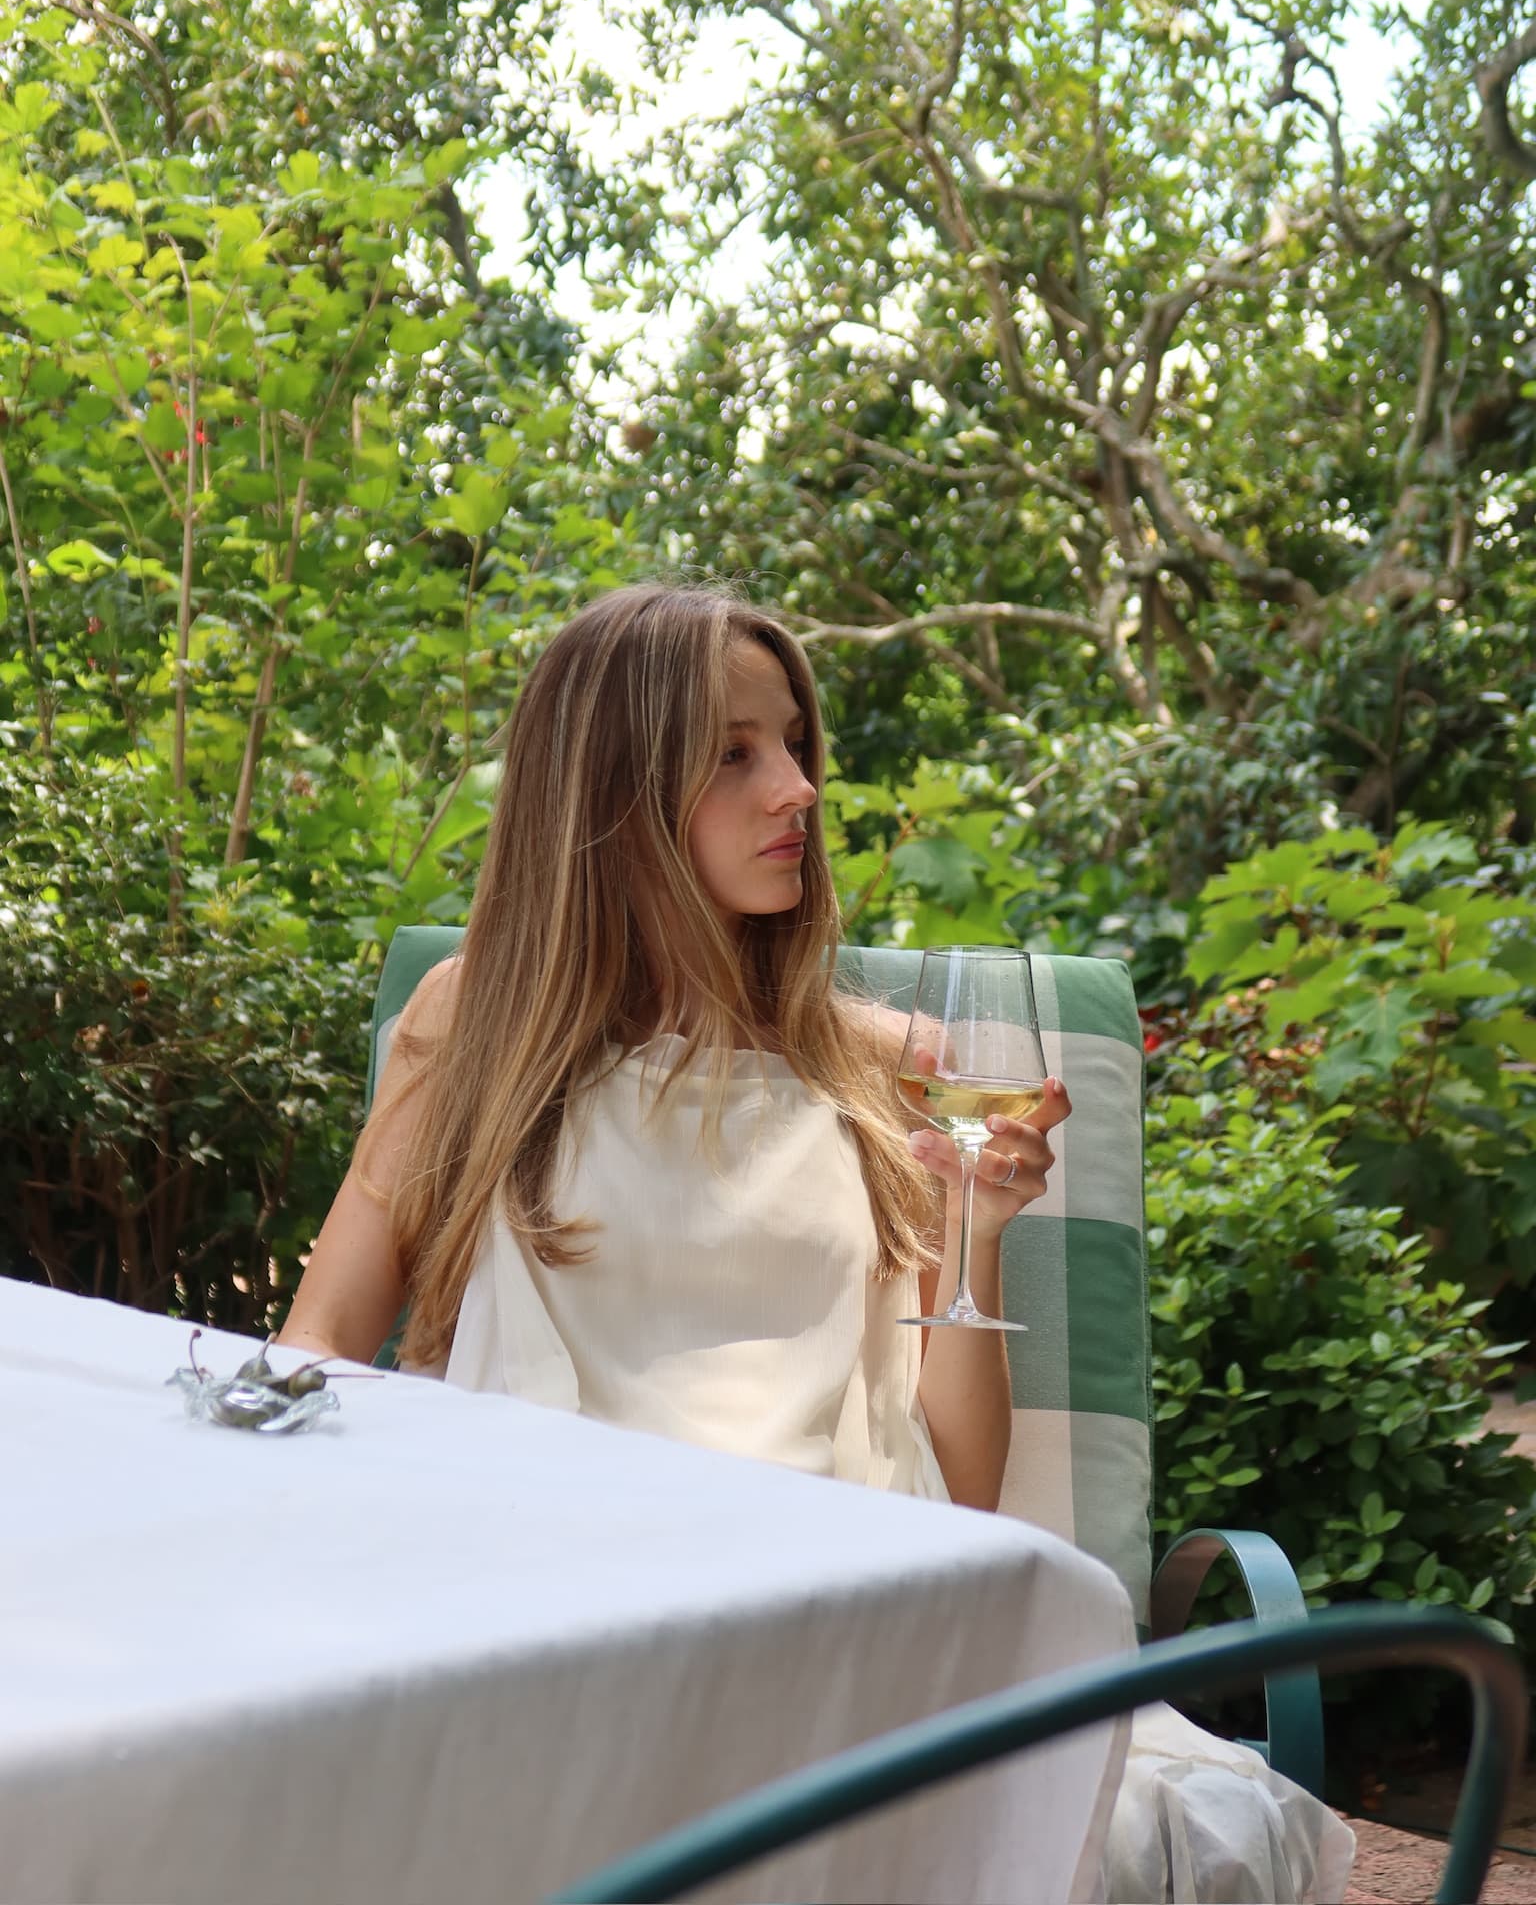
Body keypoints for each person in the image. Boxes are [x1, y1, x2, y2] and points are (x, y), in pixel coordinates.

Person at [278, 577, 1353, 1903]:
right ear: (610, 790)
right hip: (548, 1602)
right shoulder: (472, 1030)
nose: (797, 788)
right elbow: (317, 1345)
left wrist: (976, 1227)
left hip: (847, 1614)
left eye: (794, 744)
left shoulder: (889, 1065)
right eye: (735, 753)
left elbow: (959, 1482)